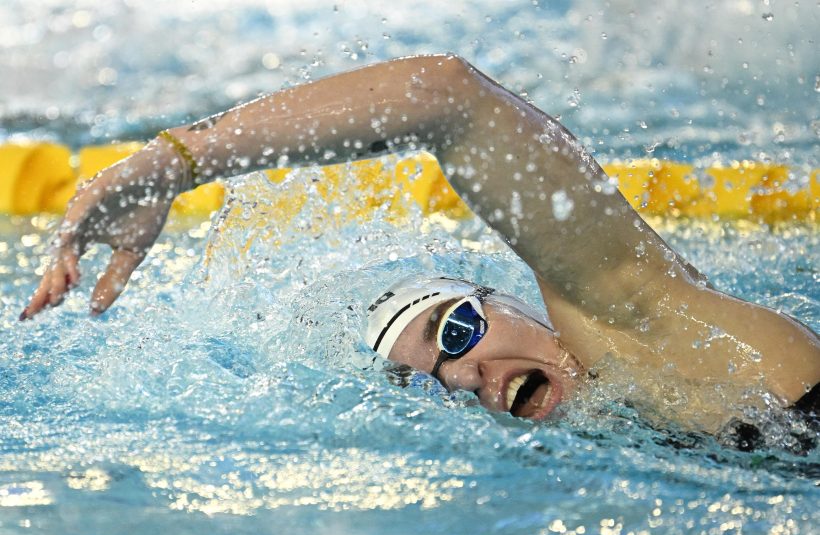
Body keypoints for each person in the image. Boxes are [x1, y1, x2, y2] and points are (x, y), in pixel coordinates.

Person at [21, 54, 818, 437]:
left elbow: (448, 99)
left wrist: (175, 163)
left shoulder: (646, 331)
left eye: (457, 330)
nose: (465, 377)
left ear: (513, 299)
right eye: (433, 387)